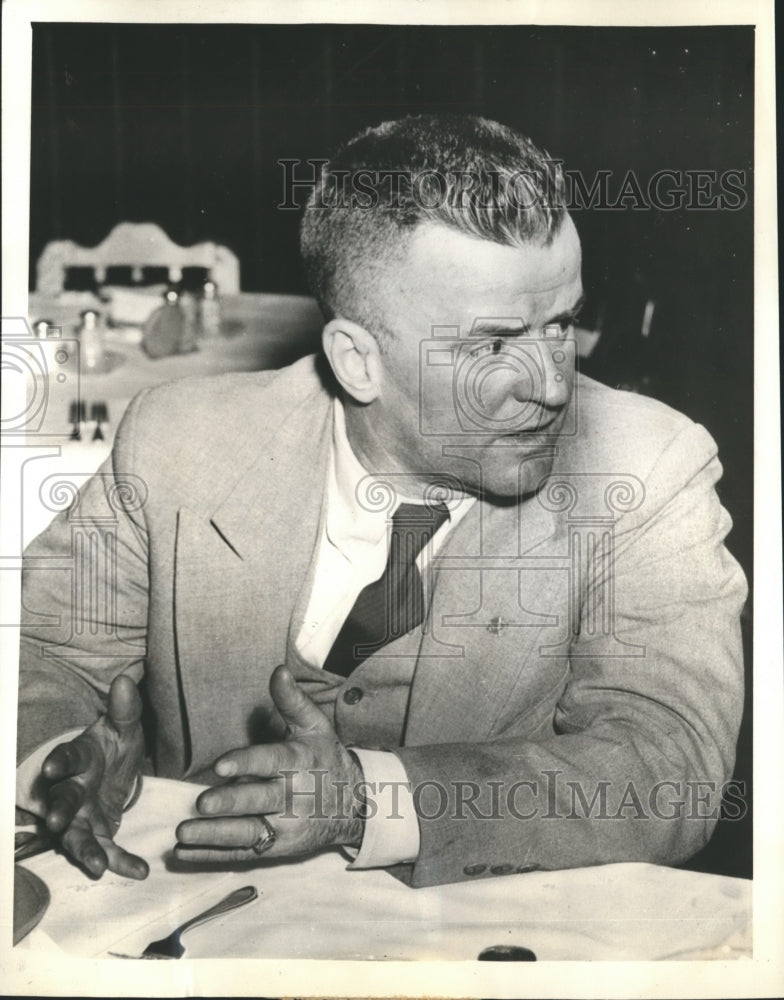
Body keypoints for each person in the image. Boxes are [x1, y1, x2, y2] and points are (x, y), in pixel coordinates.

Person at [16, 114, 746, 889]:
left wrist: (368, 801)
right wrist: (59, 758)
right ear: (357, 361)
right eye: (493, 344)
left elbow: (669, 759)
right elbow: (40, 652)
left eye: (562, 324)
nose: (554, 384)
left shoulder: (648, 465)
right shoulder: (178, 440)